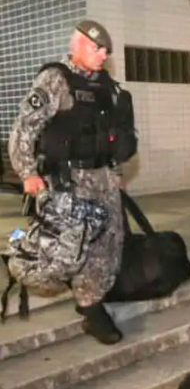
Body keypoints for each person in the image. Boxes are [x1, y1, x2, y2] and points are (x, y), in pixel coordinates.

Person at [8, 19, 132, 345]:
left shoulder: (105, 86)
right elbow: (24, 130)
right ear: (76, 45)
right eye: (97, 48)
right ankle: (90, 309)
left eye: (106, 50)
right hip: (69, 182)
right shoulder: (54, 80)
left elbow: (109, 135)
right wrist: (28, 174)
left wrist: (114, 174)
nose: (103, 54)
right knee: (69, 250)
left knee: (108, 244)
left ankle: (92, 299)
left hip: (103, 179)